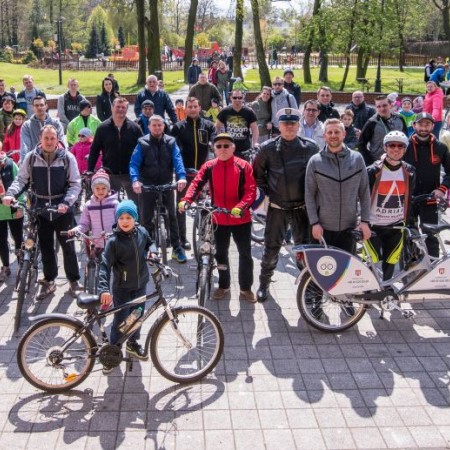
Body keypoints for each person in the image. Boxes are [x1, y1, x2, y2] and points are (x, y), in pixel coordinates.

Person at [3, 125, 83, 300]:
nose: (49, 141)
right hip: (40, 209)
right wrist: (10, 194)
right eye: (46, 138)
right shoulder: (31, 158)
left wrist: (66, 202)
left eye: (52, 138)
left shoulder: (67, 158)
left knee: (68, 247)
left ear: (57, 139)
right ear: (40, 139)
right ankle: (49, 280)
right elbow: (21, 179)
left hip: (62, 209)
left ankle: (74, 281)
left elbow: (76, 183)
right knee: (46, 248)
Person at [179, 133, 257, 302]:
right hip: (218, 217)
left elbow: (251, 191)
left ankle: (246, 288)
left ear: (233, 148)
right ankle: (223, 285)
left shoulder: (244, 166)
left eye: (226, 145)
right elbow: (196, 183)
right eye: (219, 146)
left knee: (245, 254)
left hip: (240, 218)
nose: (222, 149)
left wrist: (240, 207)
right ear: (214, 149)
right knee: (221, 254)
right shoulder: (209, 166)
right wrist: (186, 200)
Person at [253, 108, 319, 302]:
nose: (289, 127)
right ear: (279, 125)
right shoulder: (267, 148)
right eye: (285, 123)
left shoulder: (311, 147)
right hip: (277, 208)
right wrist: (271, 193)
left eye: (293, 123)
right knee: (271, 249)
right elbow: (258, 175)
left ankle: (309, 287)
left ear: (298, 125)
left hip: (301, 209)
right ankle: (264, 284)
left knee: (305, 250)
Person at [98, 199, 152, 369]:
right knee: (121, 321)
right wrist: (104, 289)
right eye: (121, 218)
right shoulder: (114, 242)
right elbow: (104, 266)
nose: (125, 221)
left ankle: (133, 343)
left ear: (135, 218)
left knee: (136, 318)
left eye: (129, 217)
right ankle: (113, 350)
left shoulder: (142, 232)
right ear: (117, 220)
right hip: (122, 289)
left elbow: (150, 244)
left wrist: (154, 252)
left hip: (140, 285)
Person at [305, 118, 371, 256]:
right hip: (323, 229)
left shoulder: (357, 159)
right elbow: (309, 195)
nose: (333, 135)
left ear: (344, 134)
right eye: (329, 132)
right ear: (324, 136)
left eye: (337, 131)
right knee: (322, 272)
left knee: (346, 273)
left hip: (349, 228)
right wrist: (314, 223)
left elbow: (364, 192)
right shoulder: (315, 161)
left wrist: (365, 221)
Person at [129, 115, 187, 263]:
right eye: (154, 125)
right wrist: (135, 181)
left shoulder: (171, 141)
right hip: (147, 185)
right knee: (145, 218)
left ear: (164, 126)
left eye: (159, 125)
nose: (157, 128)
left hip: (167, 183)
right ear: (148, 127)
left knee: (172, 216)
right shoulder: (142, 143)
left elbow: (178, 160)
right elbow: (134, 164)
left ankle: (176, 248)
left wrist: (181, 176)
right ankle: (147, 248)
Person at [366, 131, 415, 280]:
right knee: (371, 262)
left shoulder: (410, 171)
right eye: (391, 145)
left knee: (391, 261)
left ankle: (387, 292)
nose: (396, 149)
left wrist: (410, 223)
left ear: (405, 149)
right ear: (385, 148)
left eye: (400, 146)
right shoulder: (373, 171)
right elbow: (362, 198)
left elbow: (409, 199)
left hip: (396, 226)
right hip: (374, 225)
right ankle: (368, 296)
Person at [170, 97, 216, 249]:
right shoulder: (178, 127)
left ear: (200, 107)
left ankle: (205, 234)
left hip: (204, 174)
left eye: (195, 106)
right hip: (185, 174)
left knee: (205, 205)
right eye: (189, 107)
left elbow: (216, 143)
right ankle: (182, 239)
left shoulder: (208, 126)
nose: (192, 109)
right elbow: (173, 150)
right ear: (185, 109)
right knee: (182, 207)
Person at [404, 112, 450, 257]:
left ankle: (434, 268)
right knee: (409, 234)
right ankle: (410, 267)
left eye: (427, 124)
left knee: (431, 234)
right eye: (421, 124)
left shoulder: (441, 147)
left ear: (433, 126)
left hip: (430, 197)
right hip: (408, 198)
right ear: (414, 125)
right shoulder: (404, 146)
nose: (424, 127)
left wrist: (442, 189)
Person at [88, 97, 143, 203]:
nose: (120, 109)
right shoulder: (102, 128)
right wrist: (90, 169)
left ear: (127, 110)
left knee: (137, 206)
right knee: (110, 207)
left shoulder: (135, 128)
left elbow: (143, 150)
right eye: (118, 107)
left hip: (131, 174)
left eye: (123, 107)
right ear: (112, 108)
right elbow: (94, 150)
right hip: (110, 174)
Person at [68, 169, 118, 250]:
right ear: (92, 189)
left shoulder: (114, 204)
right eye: (97, 188)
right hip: (97, 245)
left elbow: (119, 223)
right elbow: (84, 224)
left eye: (103, 188)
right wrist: (76, 230)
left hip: (114, 245)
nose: (100, 191)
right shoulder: (89, 205)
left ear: (108, 188)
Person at [358, 95, 407, 165]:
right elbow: (361, 144)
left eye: (384, 105)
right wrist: (369, 161)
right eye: (378, 106)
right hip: (378, 163)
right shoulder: (372, 122)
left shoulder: (400, 118)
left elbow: (406, 139)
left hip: (398, 162)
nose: (382, 109)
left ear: (390, 105)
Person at [0, 146, 23, 282]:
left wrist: (19, 206)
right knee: (1, 240)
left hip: (13, 208)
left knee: (18, 238)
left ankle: (22, 267)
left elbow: (19, 183)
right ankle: (6, 267)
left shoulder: (10, 164)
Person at [20, 96, 65, 163]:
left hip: (54, 161)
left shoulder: (56, 124)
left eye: (41, 105)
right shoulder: (27, 125)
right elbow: (25, 146)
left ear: (46, 106)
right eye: (36, 105)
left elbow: (61, 143)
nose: (39, 107)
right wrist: (25, 163)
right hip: (34, 162)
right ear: (33, 108)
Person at [215, 89, 259, 159]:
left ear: (243, 98)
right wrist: (220, 140)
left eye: (240, 97)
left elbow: (255, 129)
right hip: (229, 147)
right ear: (231, 98)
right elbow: (217, 126)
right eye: (235, 97)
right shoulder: (225, 111)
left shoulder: (249, 112)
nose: (237, 100)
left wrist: (255, 143)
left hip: (245, 149)